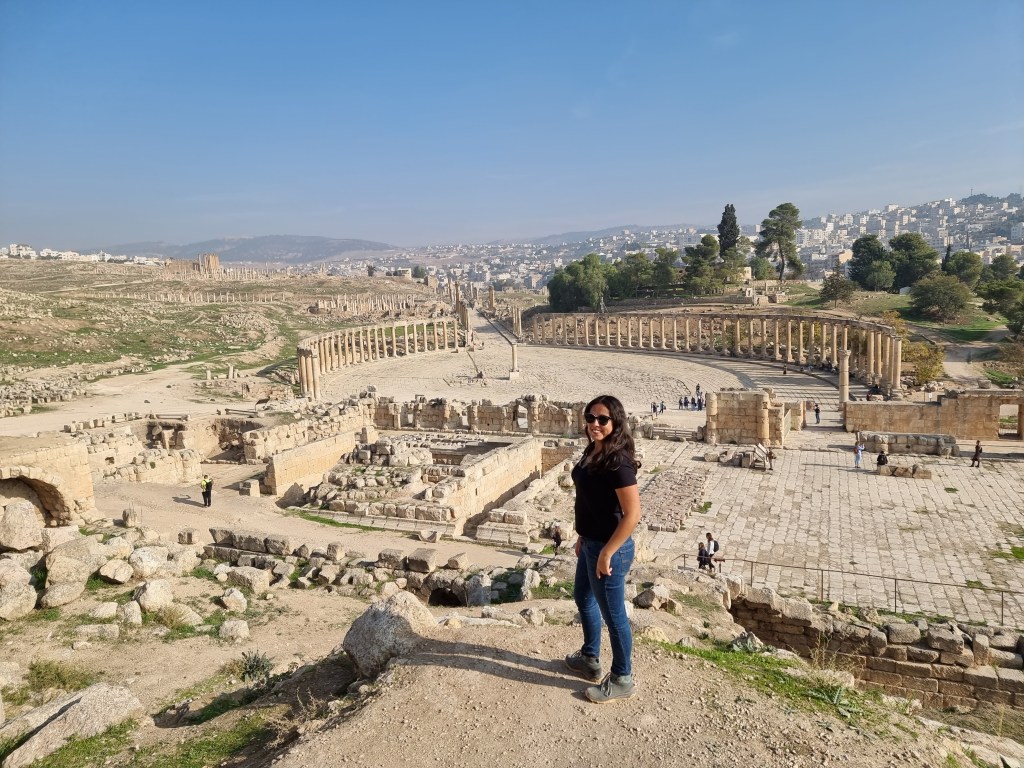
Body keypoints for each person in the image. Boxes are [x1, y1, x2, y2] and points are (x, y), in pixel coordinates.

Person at [565, 394, 641, 704]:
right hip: (591, 543)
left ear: (616, 423)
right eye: (590, 418)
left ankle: (623, 677)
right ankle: (590, 658)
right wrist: (583, 535)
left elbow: (633, 514)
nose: (594, 424)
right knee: (583, 598)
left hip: (610, 549)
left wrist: (608, 552)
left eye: (603, 419)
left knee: (614, 615)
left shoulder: (618, 462)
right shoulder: (592, 452)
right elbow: (588, 499)